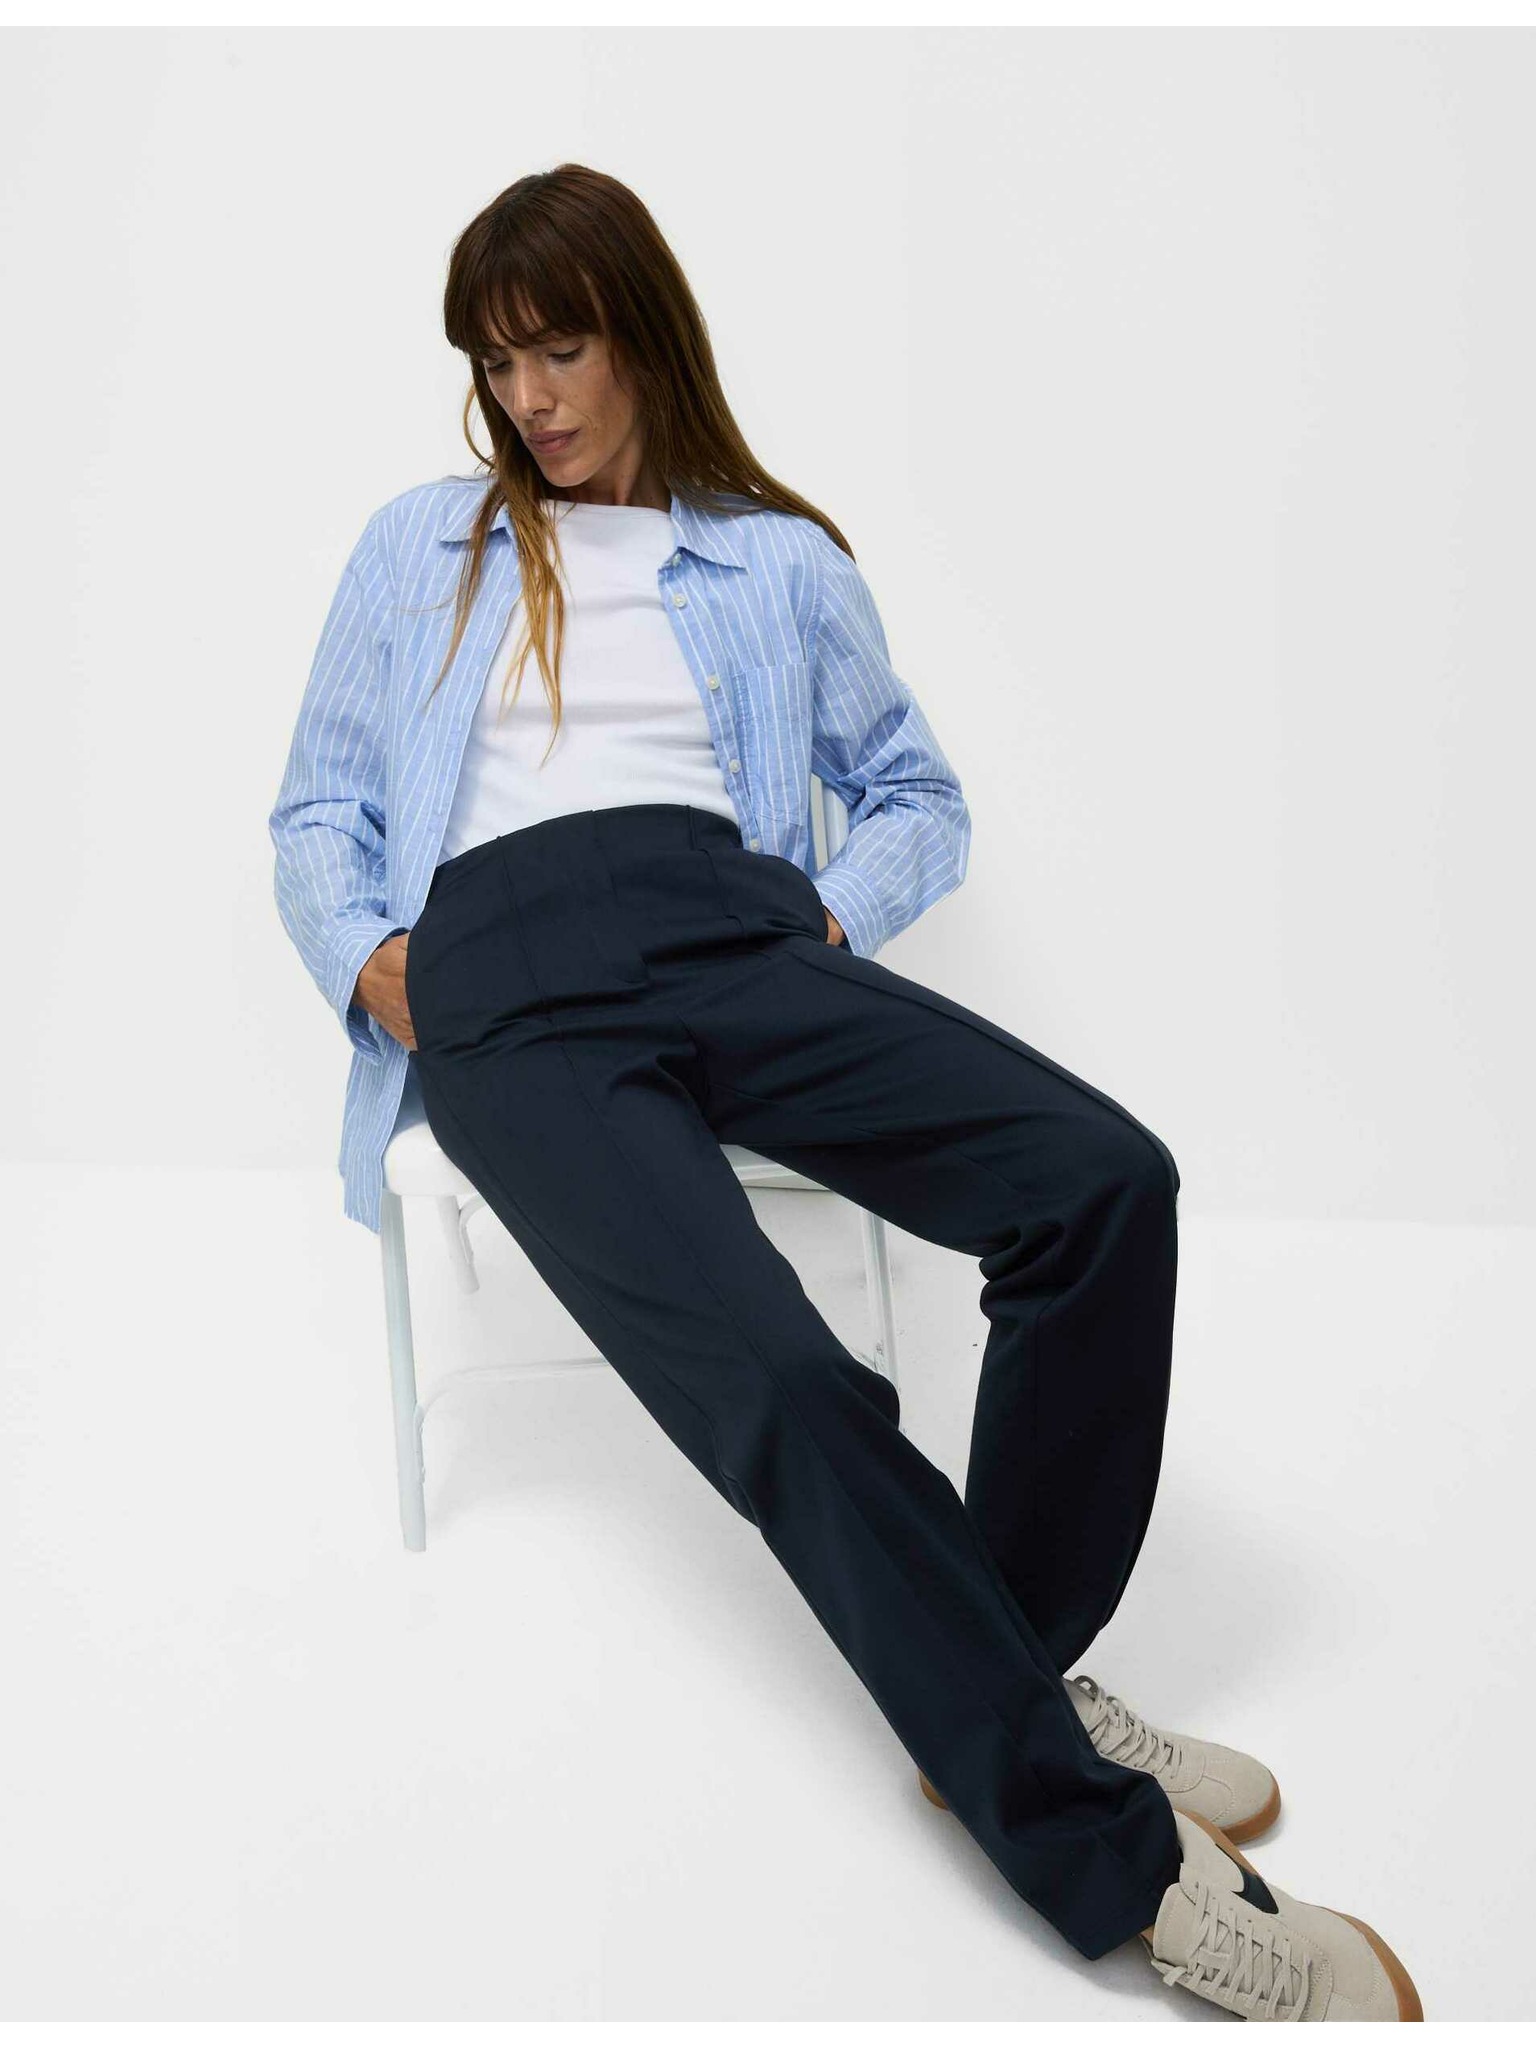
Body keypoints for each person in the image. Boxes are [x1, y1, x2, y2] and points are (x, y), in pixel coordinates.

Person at [268, 164, 1421, 2022]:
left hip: (733, 930)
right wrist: (377, 965)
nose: (529, 398)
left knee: (1103, 1182)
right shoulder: (423, 543)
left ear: (644, 333)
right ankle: (1115, 1869)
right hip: (509, 976)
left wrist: (820, 916)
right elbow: (319, 806)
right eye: (496, 364)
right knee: (790, 1384)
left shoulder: (779, 563)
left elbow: (914, 796)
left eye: (560, 349)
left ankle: (1009, 1674)